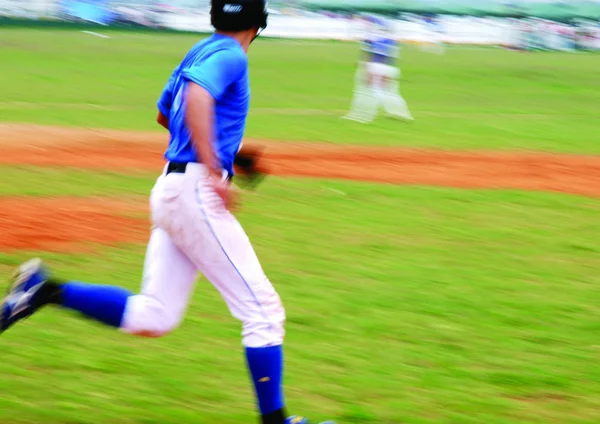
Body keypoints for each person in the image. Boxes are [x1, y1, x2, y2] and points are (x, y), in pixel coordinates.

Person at [0, 1, 334, 423]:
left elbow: (166, 113)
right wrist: (214, 167)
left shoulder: (199, 50)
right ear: (259, 21)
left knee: (154, 315)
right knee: (264, 312)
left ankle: (44, 290)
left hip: (173, 189)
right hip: (195, 191)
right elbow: (196, 95)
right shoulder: (230, 54)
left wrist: (229, 153)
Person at [343, 17, 413, 123]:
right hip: (390, 68)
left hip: (375, 66)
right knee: (391, 93)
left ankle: (362, 115)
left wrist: (366, 67)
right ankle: (403, 114)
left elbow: (367, 54)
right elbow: (393, 57)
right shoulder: (392, 40)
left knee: (365, 91)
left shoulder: (371, 38)